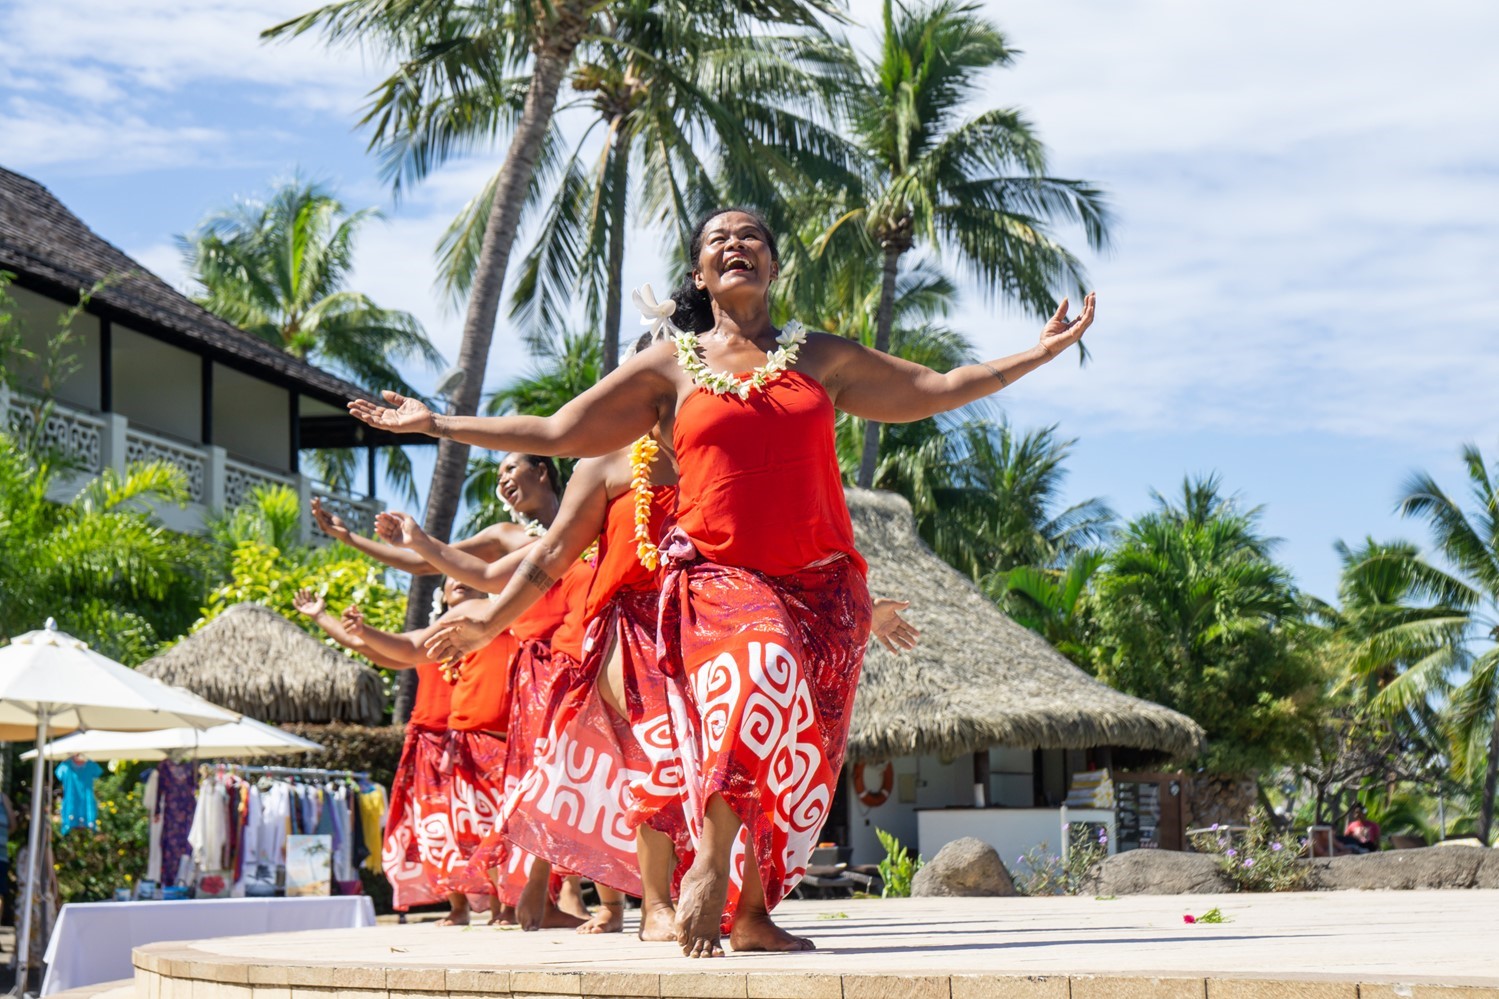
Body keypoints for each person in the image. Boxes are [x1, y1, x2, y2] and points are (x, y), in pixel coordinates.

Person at [349, 206, 1093, 956]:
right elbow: (553, 432)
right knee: (759, 671)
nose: (735, 246)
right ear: (700, 275)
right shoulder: (669, 367)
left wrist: (1035, 354)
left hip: (824, 589)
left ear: (772, 264)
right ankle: (706, 865)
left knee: (795, 752)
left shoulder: (819, 358)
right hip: (718, 579)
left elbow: (935, 387)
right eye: (717, 241)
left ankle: (752, 912)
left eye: (751, 238)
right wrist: (437, 425)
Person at [293, 584, 458, 919]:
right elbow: (365, 645)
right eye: (452, 582)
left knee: (476, 822)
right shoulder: (429, 638)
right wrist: (321, 616)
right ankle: (459, 905)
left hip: (473, 737)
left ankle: (502, 903)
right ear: (442, 595)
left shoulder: (492, 627)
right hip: (429, 737)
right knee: (436, 825)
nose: (460, 583)